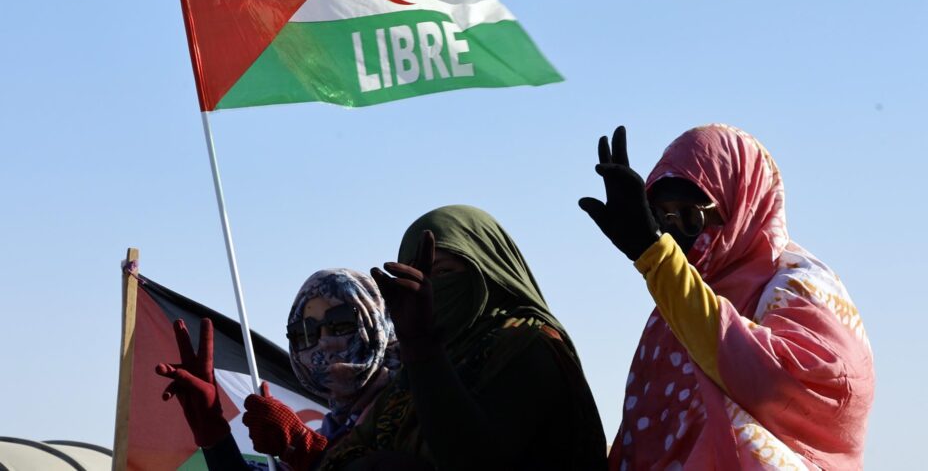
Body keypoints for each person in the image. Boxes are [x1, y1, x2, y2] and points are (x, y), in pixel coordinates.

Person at [579, 125, 874, 470]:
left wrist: (656, 256)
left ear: (741, 209)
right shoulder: (671, 306)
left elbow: (782, 386)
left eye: (690, 217)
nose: (673, 236)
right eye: (660, 219)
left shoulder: (797, 287)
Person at [319, 205, 608, 471]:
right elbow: (340, 458)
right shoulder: (409, 381)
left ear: (489, 271)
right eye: (418, 277)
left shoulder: (528, 346)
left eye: (443, 271)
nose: (429, 291)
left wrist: (421, 344)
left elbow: (474, 460)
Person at [156, 268, 400, 470]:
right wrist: (211, 429)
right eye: (305, 334)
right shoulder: (335, 428)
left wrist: (304, 447)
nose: (324, 342)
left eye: (340, 323)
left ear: (376, 321)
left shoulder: (409, 403)